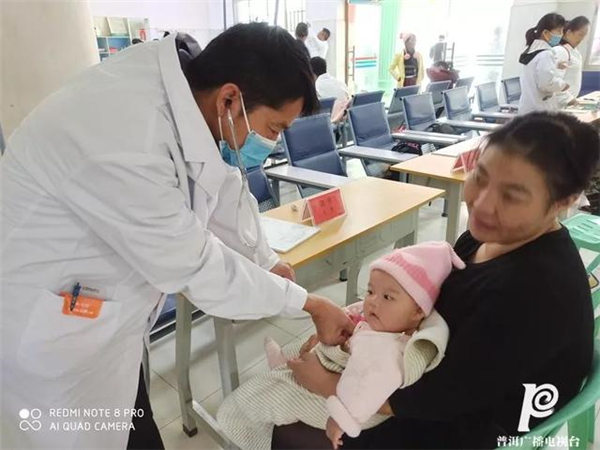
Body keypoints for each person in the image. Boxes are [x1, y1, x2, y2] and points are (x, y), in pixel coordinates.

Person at [0, 23, 355, 449]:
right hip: (52, 337)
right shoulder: (127, 135)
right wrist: (308, 303)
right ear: (230, 99)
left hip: (103, 325)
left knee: (130, 424)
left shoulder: (191, 99)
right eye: (274, 128)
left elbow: (221, 185)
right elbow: (196, 268)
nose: (271, 142)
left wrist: (265, 261)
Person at [271, 111, 599, 449]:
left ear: (563, 202)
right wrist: (361, 322)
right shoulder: (487, 239)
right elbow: (431, 301)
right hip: (439, 381)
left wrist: (328, 384)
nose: (482, 203)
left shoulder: (538, 292)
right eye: (480, 176)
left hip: (470, 427)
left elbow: (445, 396)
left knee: (283, 426)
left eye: (512, 196)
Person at [217, 242, 464, 449]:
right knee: (306, 345)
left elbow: (365, 393)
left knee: (261, 397)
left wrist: (341, 420)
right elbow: (356, 316)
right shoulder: (390, 322)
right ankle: (286, 364)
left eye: (387, 297)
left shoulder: (390, 352)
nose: (372, 302)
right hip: (343, 371)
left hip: (351, 404)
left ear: (418, 311)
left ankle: (280, 383)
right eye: (370, 291)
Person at [518, 13, 569, 114]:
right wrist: (563, 85)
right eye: (559, 31)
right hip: (539, 111)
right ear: (545, 33)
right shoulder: (546, 54)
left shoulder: (532, 51)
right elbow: (546, 84)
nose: (561, 35)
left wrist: (555, 65)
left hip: (529, 108)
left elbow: (536, 71)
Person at [554, 16, 591, 107]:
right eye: (580, 34)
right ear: (569, 33)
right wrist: (569, 100)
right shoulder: (560, 51)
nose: (582, 39)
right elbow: (553, 81)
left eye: (584, 36)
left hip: (568, 102)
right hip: (559, 103)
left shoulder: (574, 52)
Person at [310, 56, 350, 122]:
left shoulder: (316, 87)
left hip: (330, 122)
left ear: (311, 73)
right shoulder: (340, 83)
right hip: (344, 121)